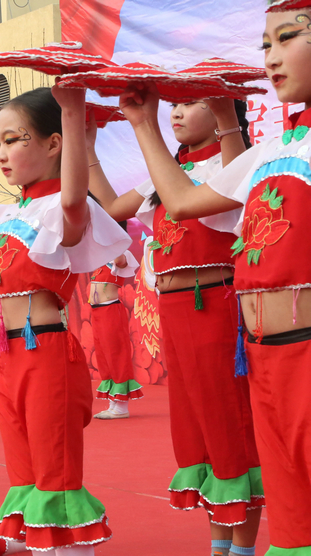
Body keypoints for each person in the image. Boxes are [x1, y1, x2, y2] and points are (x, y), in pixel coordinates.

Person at [115, 9, 311, 554]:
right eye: (265, 42)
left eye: (288, 38)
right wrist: (140, 122)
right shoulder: (273, 152)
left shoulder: (262, 152)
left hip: (288, 342)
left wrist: (226, 121)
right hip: (264, 350)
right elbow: (179, 202)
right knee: (292, 508)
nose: (270, 54)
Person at [0, 86, 131, 555]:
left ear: (53, 144)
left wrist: (73, 112)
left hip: (45, 355)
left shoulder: (61, 210)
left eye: (14, 140)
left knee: (56, 477)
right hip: (6, 357)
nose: (1, 153)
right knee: (25, 475)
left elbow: (73, 198)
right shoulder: (7, 213)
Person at [91, 93, 262, 553]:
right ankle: (219, 545)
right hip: (175, 311)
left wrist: (229, 120)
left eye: (193, 102)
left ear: (224, 107)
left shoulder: (234, 164)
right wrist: (85, 140)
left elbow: (235, 175)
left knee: (230, 427)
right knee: (198, 429)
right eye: (176, 105)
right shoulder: (168, 176)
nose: (179, 112)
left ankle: (241, 548)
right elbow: (108, 206)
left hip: (217, 309)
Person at [89, 238, 141, 419]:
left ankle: (121, 407)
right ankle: (113, 402)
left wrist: (110, 236)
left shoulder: (120, 256)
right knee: (104, 356)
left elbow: (119, 259)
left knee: (116, 353)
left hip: (111, 310)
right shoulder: (99, 263)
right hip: (97, 313)